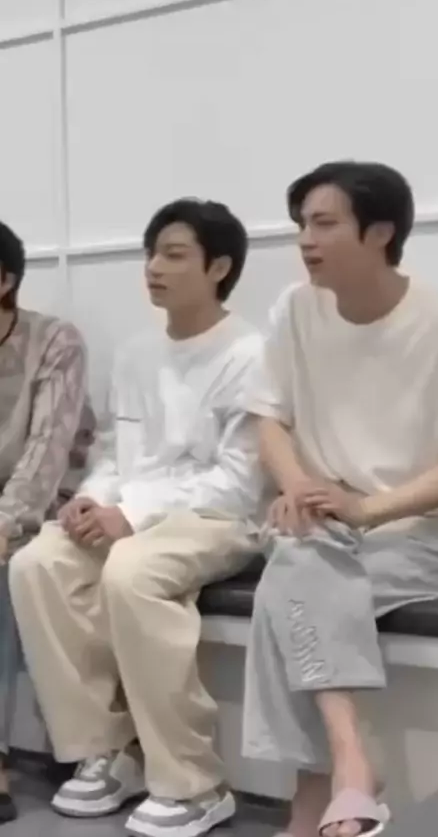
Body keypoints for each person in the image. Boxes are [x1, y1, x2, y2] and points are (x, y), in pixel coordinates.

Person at [10, 199, 264, 837]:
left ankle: (194, 781)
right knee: (38, 562)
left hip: (219, 517)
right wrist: (93, 499)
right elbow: (113, 453)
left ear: (219, 267)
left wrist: (130, 513)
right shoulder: (136, 352)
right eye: (152, 254)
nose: (154, 267)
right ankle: (108, 748)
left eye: (174, 255)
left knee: (132, 571)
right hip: (136, 511)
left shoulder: (251, 354)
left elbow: (238, 481)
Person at [241, 161, 438, 837]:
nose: (305, 240)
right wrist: (297, 486)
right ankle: (346, 773)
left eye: (324, 224)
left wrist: (369, 509)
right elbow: (268, 418)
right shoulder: (297, 308)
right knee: (300, 561)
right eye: (301, 225)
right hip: (332, 527)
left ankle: (322, 788)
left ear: (380, 232)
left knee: (289, 582)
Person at [0, 220, 91, 821]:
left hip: (50, 503)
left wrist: (4, 523)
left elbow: (46, 455)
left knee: (4, 566)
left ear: (5, 281)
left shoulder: (54, 341)